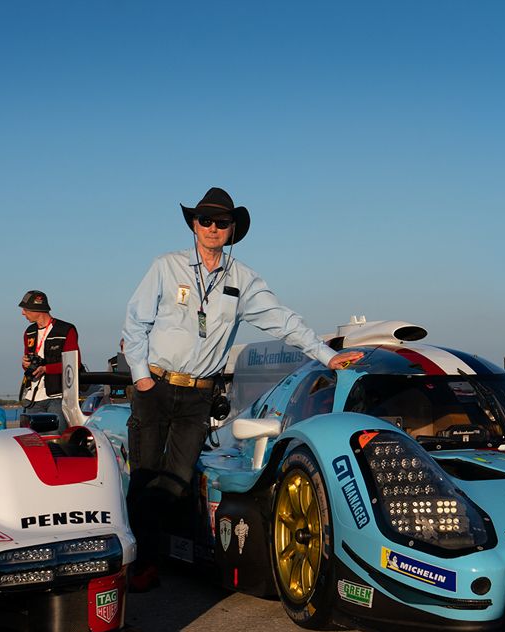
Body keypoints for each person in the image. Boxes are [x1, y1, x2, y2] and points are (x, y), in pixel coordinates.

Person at [122, 187, 341, 591]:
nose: (212, 228)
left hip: (197, 395)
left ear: (232, 229)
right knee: (144, 476)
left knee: (177, 479)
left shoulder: (242, 281)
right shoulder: (165, 267)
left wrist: (327, 357)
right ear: (193, 224)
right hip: (154, 385)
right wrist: (141, 377)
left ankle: (144, 551)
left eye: (221, 222)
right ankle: (141, 565)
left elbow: (283, 321)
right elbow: (136, 323)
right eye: (205, 220)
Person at [19, 290, 79, 432]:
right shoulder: (29, 332)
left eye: (26, 309)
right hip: (32, 397)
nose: (22, 313)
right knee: (31, 441)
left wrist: (46, 369)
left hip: (58, 395)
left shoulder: (66, 330)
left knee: (56, 440)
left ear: (37, 310)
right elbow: (26, 362)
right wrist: (25, 364)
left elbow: (74, 364)